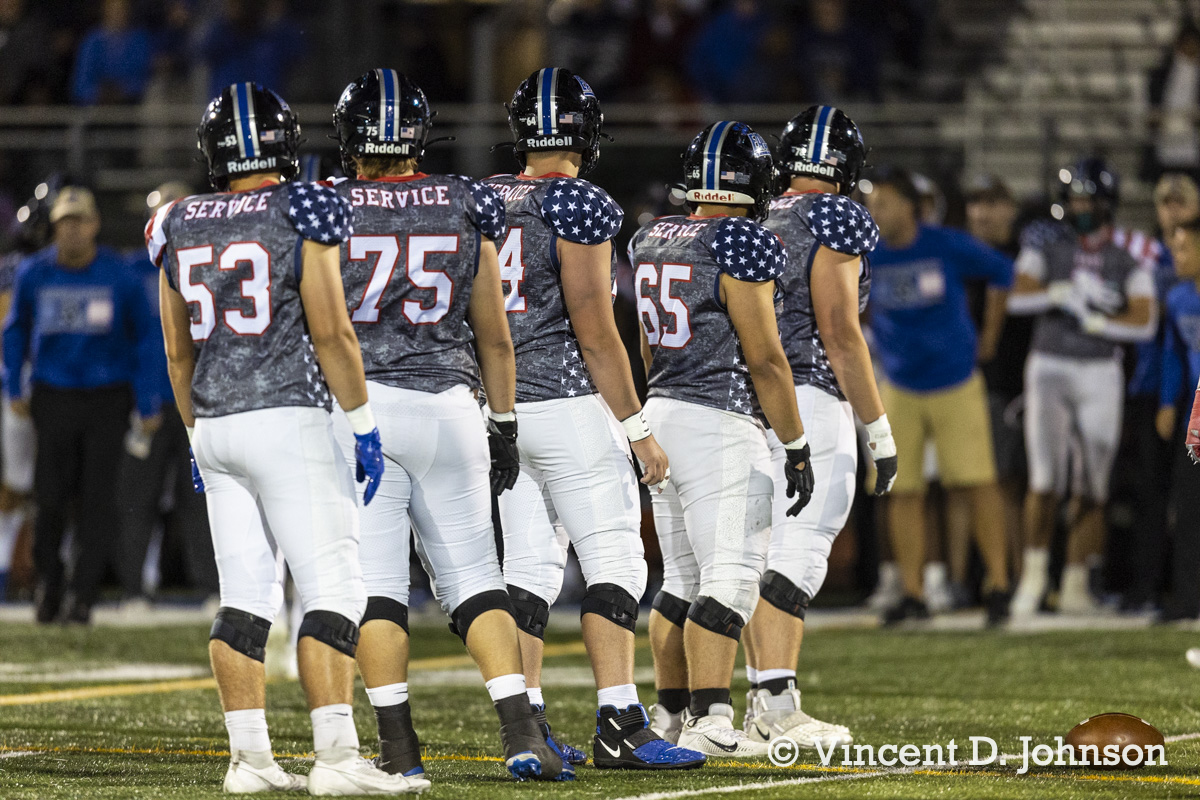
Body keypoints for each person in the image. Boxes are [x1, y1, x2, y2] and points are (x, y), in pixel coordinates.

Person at [148, 82, 425, 795]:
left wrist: (195, 433)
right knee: (335, 587)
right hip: (288, 418)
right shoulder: (303, 205)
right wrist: (363, 424)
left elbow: (177, 352)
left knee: (244, 597)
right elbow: (332, 333)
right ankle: (336, 756)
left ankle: (249, 760)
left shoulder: (176, 220)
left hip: (216, 426)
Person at [329, 69, 569, 783]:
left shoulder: (328, 206)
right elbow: (495, 336)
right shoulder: (466, 201)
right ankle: (522, 732)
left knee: (376, 588)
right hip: (450, 411)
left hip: (362, 413)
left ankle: (399, 750)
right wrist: (503, 423)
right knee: (476, 579)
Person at [484, 67, 700, 772]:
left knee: (528, 569)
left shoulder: (484, 198)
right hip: (568, 405)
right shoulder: (578, 203)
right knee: (615, 559)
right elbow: (596, 329)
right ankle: (620, 723)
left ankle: (528, 729)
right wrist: (637, 428)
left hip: (500, 409)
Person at [632, 120, 814, 757]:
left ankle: (668, 715)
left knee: (682, 578)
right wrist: (796, 443)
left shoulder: (653, 236)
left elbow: (650, 346)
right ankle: (710, 719)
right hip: (721, 427)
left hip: (662, 414)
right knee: (732, 576)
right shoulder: (742, 241)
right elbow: (765, 358)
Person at [739, 106, 894, 750]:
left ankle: (749, 702)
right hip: (809, 396)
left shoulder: (756, 214)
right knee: (797, 553)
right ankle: (777, 705)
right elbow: (841, 334)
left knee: (755, 553)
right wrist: (878, 430)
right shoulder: (835, 216)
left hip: (748, 397)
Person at [3, 185, 161, 624]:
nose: (72, 230)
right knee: (49, 497)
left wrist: (147, 397)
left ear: (94, 225)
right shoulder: (35, 272)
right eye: (64, 222)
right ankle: (49, 584)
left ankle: (83, 593)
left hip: (107, 396)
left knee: (98, 498)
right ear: (54, 228)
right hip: (53, 395)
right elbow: (15, 330)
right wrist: (14, 385)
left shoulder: (119, 274)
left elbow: (145, 336)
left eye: (79, 221)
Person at [863, 167, 1013, 625]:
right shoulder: (866, 251)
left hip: (955, 381)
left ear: (910, 206)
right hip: (899, 384)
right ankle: (913, 592)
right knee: (901, 490)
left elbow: (1002, 271)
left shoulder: (944, 243)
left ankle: (998, 584)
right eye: (872, 204)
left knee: (977, 483)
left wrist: (990, 336)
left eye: (883, 203)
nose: (874, 211)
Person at [1007, 158, 1157, 616]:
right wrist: (1058, 294)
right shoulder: (1047, 245)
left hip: (1099, 370)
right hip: (1050, 364)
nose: (1080, 207)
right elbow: (1017, 298)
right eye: (1074, 199)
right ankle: (1033, 580)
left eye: (1088, 199)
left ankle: (1075, 582)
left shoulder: (1126, 258)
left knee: (1093, 484)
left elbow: (1144, 323)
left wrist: (1098, 321)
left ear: (1107, 203)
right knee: (1044, 479)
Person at [119, 181, 216, 607]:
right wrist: (141, 399)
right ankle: (133, 588)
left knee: (202, 499)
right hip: (152, 403)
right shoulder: (129, 272)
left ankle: (213, 587)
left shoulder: (213, 261)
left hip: (199, 400)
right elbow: (125, 344)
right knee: (138, 500)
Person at [1122, 174, 1194, 613]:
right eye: (1165, 203)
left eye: (1180, 202)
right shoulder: (1152, 262)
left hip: (1190, 394)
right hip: (1168, 393)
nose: (1172, 210)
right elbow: (1170, 349)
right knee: (1164, 495)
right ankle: (1162, 590)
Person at [963, 175, 1031, 598]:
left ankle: (1016, 578)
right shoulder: (962, 255)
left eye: (991, 202)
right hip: (976, 385)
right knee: (987, 484)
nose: (982, 213)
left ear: (1010, 208)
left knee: (1012, 485)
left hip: (1019, 384)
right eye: (976, 203)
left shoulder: (1026, 256)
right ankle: (989, 578)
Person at [1160, 214, 1200, 620]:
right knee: (1188, 508)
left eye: (1185, 248)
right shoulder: (1178, 299)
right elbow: (1173, 354)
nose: (1177, 256)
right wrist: (1167, 402)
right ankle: (1188, 598)